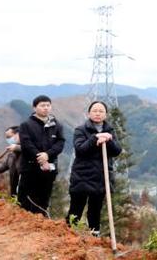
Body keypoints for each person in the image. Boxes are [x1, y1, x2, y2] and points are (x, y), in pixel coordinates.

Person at [66, 101, 122, 236]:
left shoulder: (110, 131)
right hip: (82, 176)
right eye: (95, 110)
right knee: (76, 208)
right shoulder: (80, 130)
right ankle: (68, 236)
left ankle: (94, 237)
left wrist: (108, 141)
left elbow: (117, 151)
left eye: (101, 111)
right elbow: (80, 150)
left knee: (95, 210)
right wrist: (95, 138)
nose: (98, 113)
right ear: (89, 113)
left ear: (106, 114)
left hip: (101, 177)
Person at [17, 95, 65, 215]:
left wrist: (48, 155)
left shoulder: (57, 125)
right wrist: (41, 158)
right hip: (30, 168)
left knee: (44, 199)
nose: (46, 108)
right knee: (26, 199)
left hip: (49, 169)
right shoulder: (26, 125)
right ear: (34, 108)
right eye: (42, 105)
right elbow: (26, 144)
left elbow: (60, 142)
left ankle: (40, 225)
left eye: (48, 105)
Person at [0, 126, 22, 197]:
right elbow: (3, 167)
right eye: (7, 138)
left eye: (9, 137)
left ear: (18, 135)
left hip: (26, 188)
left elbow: (27, 149)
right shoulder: (11, 155)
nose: (8, 140)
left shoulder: (28, 149)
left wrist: (16, 148)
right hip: (14, 191)